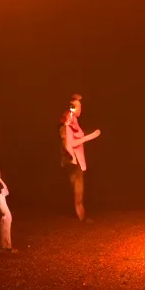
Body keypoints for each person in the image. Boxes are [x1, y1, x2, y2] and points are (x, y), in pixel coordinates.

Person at [60, 94, 101, 222]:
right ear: (72, 108)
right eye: (78, 107)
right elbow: (70, 143)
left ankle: (80, 215)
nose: (80, 110)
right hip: (73, 161)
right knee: (78, 190)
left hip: (76, 161)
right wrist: (90, 136)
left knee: (78, 190)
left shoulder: (73, 121)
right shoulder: (68, 122)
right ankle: (81, 217)